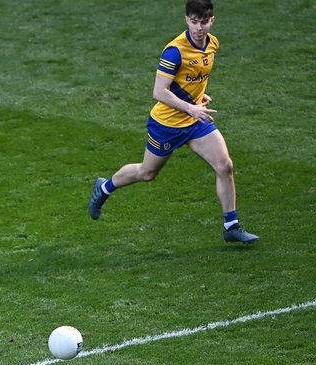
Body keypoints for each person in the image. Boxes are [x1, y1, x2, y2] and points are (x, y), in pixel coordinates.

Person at [88, 0, 258, 244]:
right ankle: (104, 188)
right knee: (147, 173)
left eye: (203, 22)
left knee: (225, 166)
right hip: (167, 123)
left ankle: (231, 226)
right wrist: (190, 106)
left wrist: (198, 96)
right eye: (193, 21)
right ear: (186, 19)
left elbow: (195, 76)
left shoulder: (213, 44)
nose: (199, 28)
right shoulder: (175, 51)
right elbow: (159, 91)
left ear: (212, 20)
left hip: (196, 119)